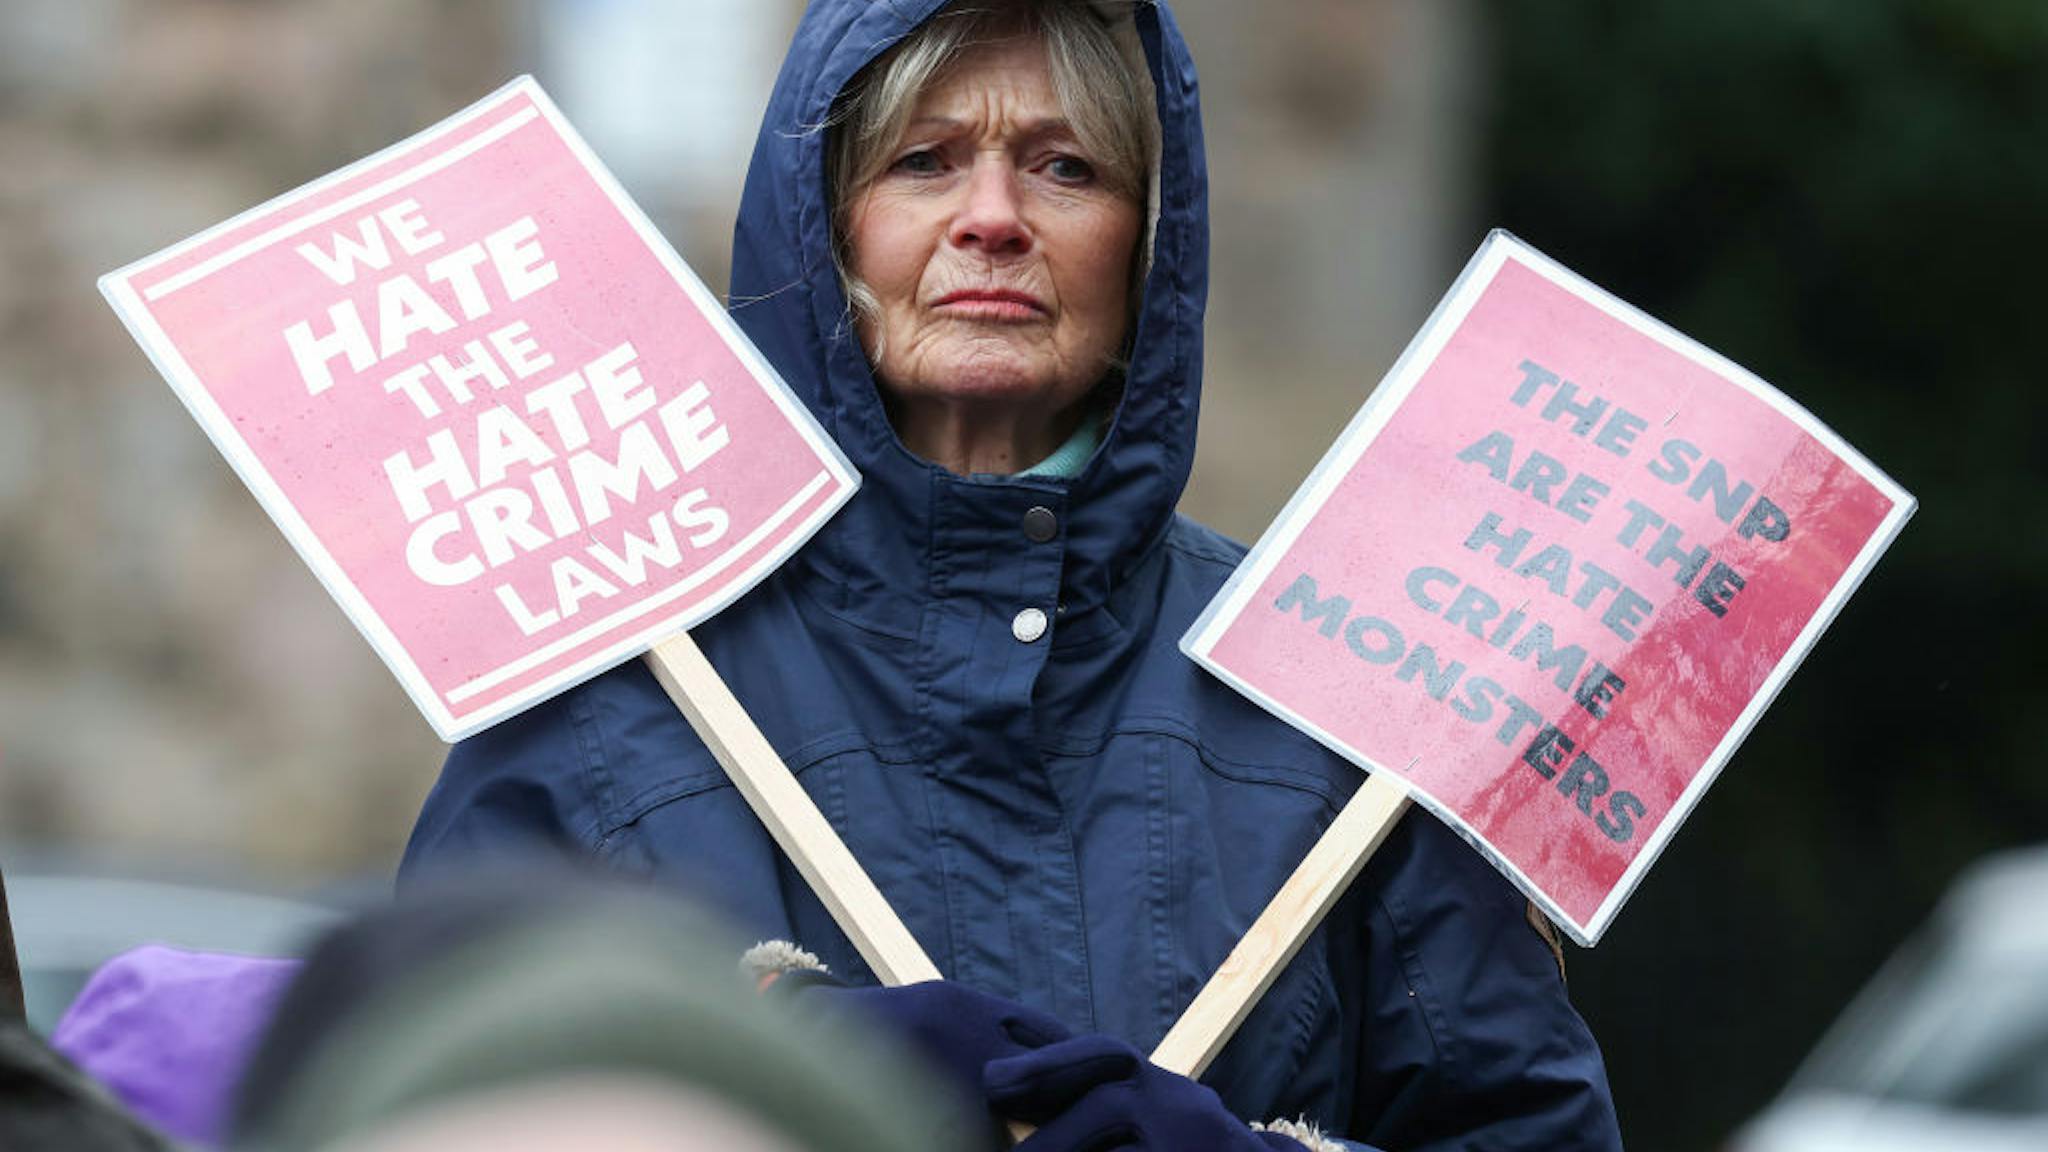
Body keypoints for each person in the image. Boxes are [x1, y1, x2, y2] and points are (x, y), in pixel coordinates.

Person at [403, 1, 1625, 1148]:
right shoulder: (611, 680)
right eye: (922, 161)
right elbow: (399, 1094)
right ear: (827, 230)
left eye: (1064, 167)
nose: (991, 216)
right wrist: (762, 1067)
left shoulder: (1338, 702)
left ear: (1149, 245)